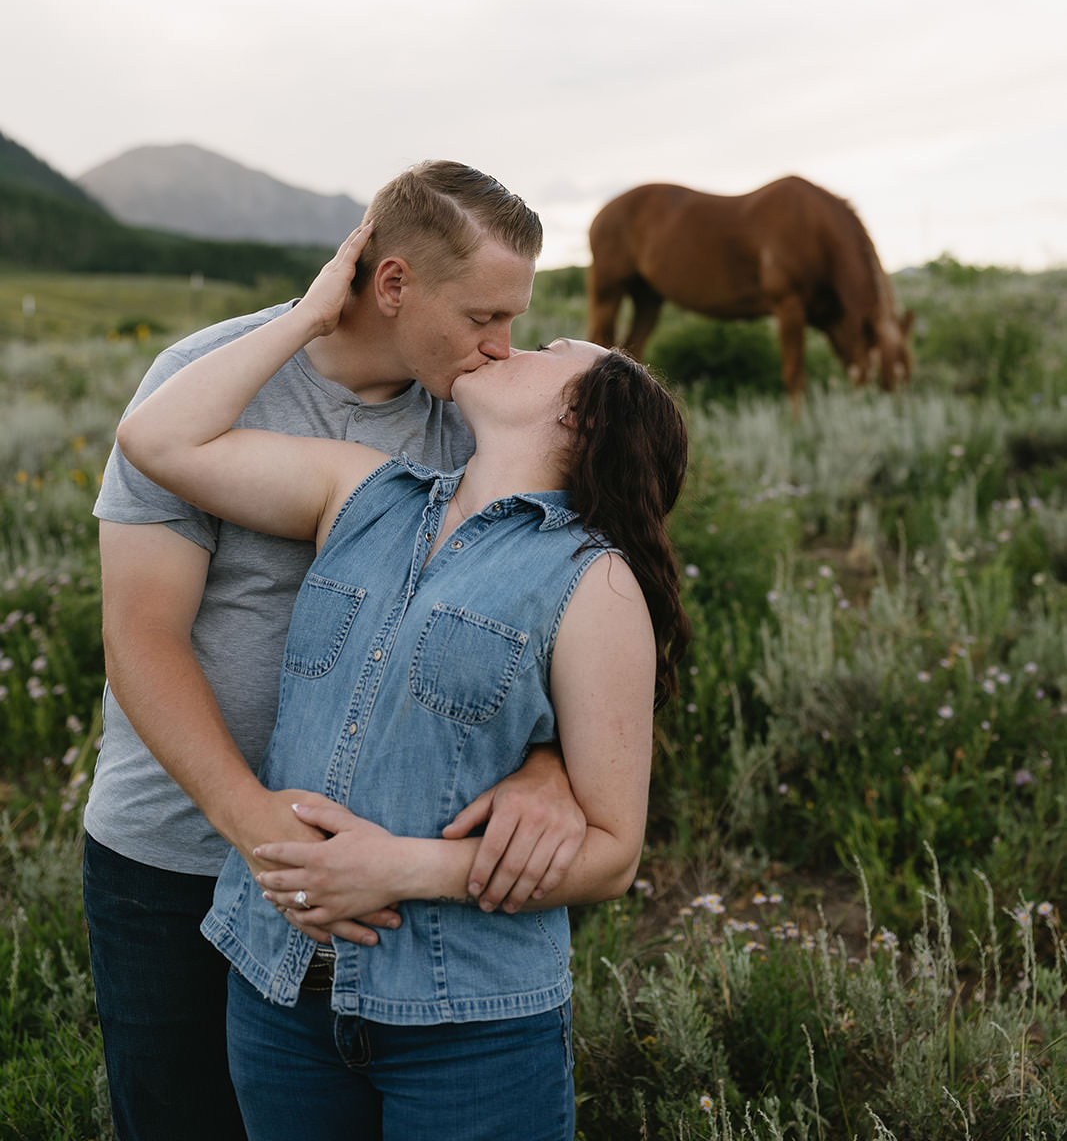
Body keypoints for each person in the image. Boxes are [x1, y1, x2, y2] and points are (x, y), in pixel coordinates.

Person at [115, 223, 690, 1141]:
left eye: (544, 349)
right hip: (282, 987)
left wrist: (404, 867)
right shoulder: (365, 491)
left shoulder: (593, 577)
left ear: (580, 417)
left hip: (463, 1018)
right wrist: (307, 315)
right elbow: (157, 436)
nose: (506, 344)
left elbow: (614, 852)